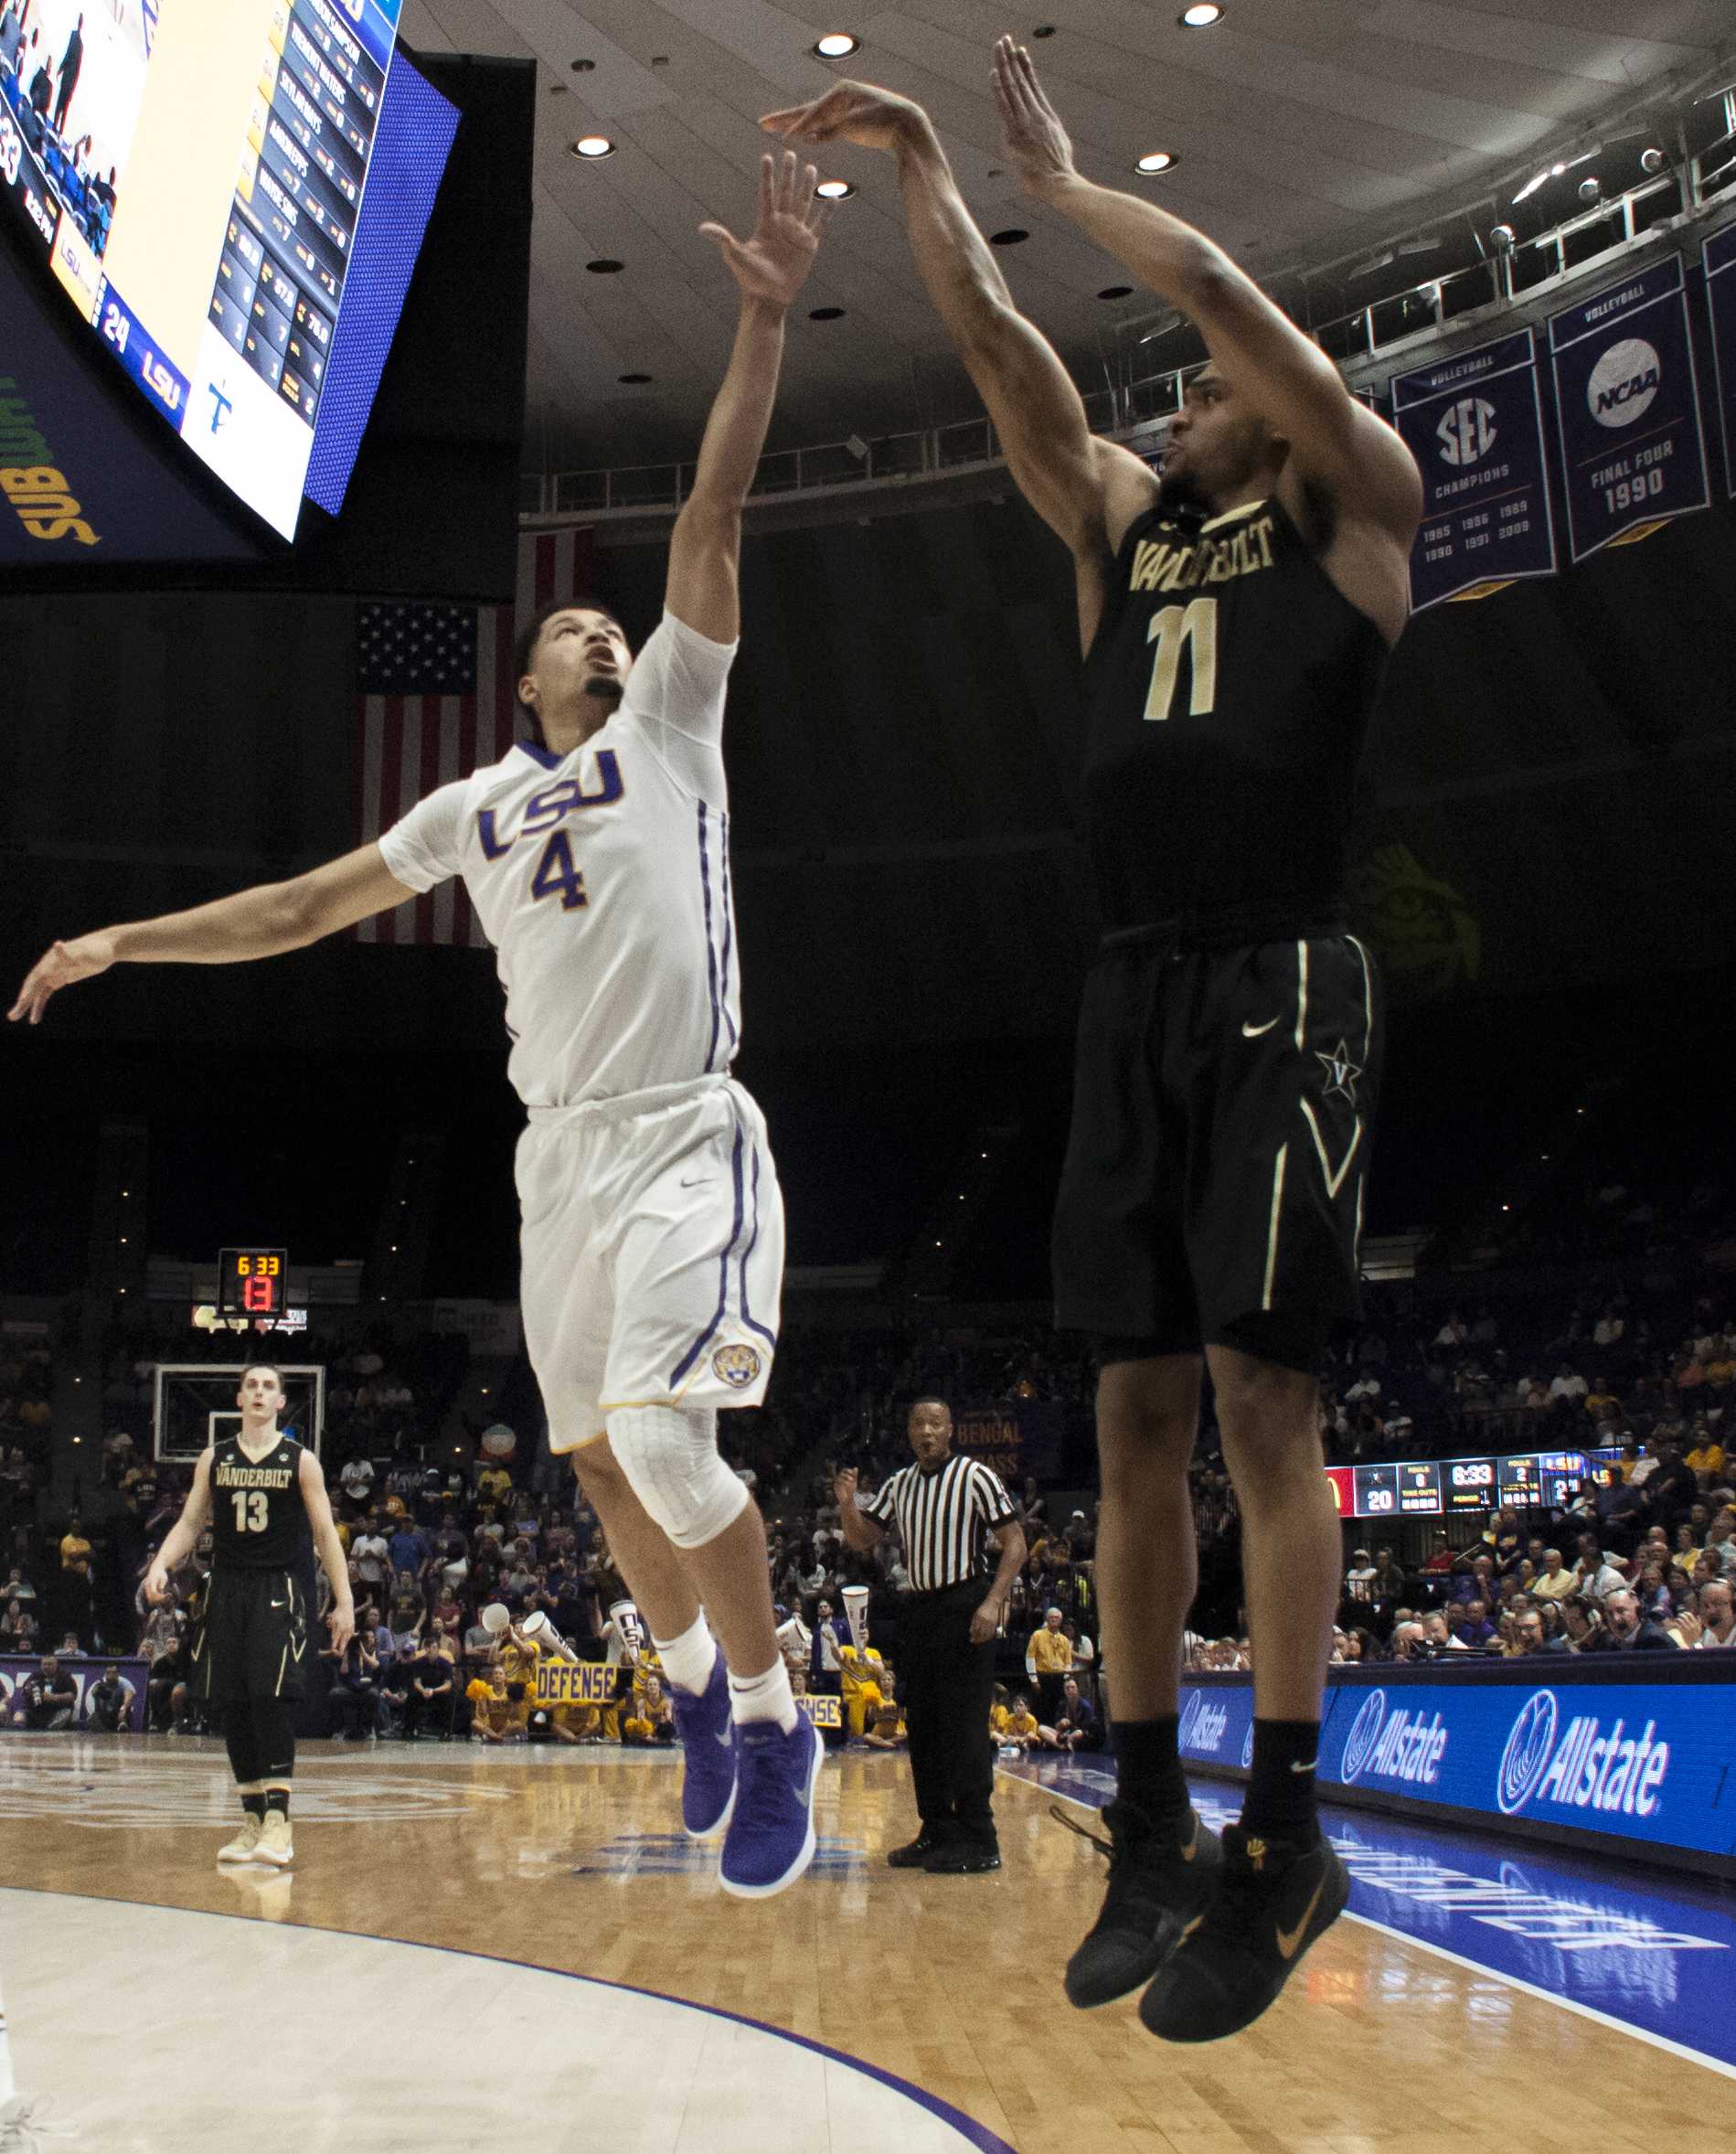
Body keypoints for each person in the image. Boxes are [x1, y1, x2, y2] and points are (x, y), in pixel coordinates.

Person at [12, 150, 836, 1906]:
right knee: (605, 1463)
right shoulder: (469, 804)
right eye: (570, 626)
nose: (601, 627)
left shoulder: (675, 720)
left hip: (685, 1126)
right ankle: (689, 1687)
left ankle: (773, 1716)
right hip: (559, 1165)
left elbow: (708, 516)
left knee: (678, 1445)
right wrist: (119, 944)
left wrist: (759, 321)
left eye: (610, 623)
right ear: (524, 681)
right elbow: (301, 905)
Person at [767, 37, 1422, 2039]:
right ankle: (1148, 1813)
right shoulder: (1120, 531)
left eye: (1214, 385)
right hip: (1126, 981)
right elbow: (994, 353)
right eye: (1189, 392)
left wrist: (1067, 186)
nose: (1185, 392)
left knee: (1256, 1397)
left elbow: (1233, 309)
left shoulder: (1354, 501)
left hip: (1279, 972)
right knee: (1130, 1412)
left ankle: (1286, 1822)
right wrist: (919, 177)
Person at [142, 1366, 354, 1866]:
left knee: (270, 1696)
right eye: (252, 1386)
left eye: (269, 1387)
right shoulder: (214, 1458)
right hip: (226, 1588)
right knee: (232, 1701)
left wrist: (343, 1601)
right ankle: (252, 1818)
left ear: (281, 1402)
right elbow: (192, 1521)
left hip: (278, 1587)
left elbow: (325, 1535)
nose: (259, 1393)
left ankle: (280, 1821)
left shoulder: (301, 1461)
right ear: (239, 1398)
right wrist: (160, 1563)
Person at [834, 1397, 1026, 1875]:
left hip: (965, 1604)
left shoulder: (975, 1476)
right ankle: (936, 1830)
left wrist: (993, 1602)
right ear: (910, 1432)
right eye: (918, 1423)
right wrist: (845, 1505)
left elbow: (1016, 1544)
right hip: (918, 1609)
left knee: (963, 1725)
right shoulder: (900, 1483)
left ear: (950, 1429)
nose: (926, 1431)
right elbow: (862, 1540)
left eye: (935, 1423)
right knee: (924, 1726)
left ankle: (981, 1838)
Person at [8, 1652, 77, 1730]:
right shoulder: (35, 1676)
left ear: (56, 1665)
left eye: (50, 1664)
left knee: (65, 1714)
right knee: (18, 1717)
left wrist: (56, 1697)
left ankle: (51, 1732)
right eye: (44, 1664)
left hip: (57, 1710)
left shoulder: (65, 1676)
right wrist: (29, 1690)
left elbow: (72, 1695)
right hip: (36, 1711)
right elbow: (24, 1691)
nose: (46, 1667)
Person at [50, 8, 78, 133]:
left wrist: (61, 68)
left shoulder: (75, 39)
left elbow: (68, 56)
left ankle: (57, 126)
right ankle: (59, 128)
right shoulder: (78, 42)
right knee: (63, 106)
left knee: (61, 104)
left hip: (68, 80)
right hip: (70, 81)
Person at [85, 1661, 133, 1732]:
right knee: (92, 1718)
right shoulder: (100, 1685)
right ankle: (104, 1731)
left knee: (125, 1711)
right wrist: (98, 1690)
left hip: (117, 1716)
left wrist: (123, 1708)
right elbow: (93, 1692)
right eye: (108, 1673)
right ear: (105, 1674)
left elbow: (129, 1695)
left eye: (113, 1673)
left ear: (118, 1674)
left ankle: (122, 1726)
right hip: (103, 1717)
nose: (110, 1675)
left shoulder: (123, 1685)